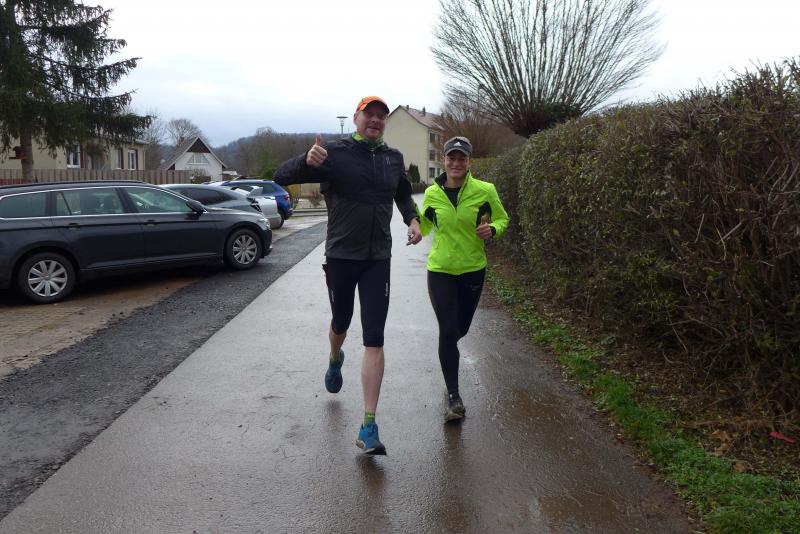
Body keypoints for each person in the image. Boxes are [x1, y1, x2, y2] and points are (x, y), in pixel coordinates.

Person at [274, 96, 422, 455]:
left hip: (377, 258)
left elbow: (403, 195)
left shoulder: (393, 158)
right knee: (340, 322)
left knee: (374, 339)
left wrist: (413, 219)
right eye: (369, 114)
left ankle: (369, 425)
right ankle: (334, 357)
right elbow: (281, 176)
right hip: (341, 255)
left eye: (381, 116)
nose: (376, 120)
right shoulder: (335, 154)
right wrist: (305, 161)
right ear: (356, 118)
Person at [418, 136, 509, 421]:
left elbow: (503, 219)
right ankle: (454, 397)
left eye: (461, 158)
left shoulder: (485, 190)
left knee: (460, 329)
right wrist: (415, 229)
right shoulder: (432, 193)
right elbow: (425, 223)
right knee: (447, 331)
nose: (456, 163)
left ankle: (448, 354)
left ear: (469, 162)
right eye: (451, 158)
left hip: (472, 269)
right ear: (443, 160)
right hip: (441, 270)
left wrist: (492, 229)